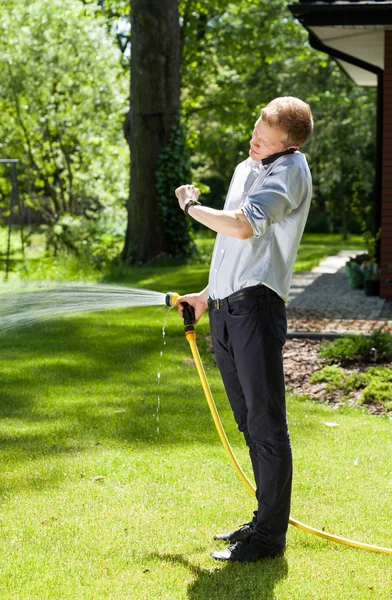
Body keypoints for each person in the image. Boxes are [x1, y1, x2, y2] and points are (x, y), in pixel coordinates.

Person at [174, 97, 313, 563]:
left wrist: (191, 206)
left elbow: (242, 227)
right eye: (256, 127)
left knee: (267, 423)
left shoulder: (290, 170)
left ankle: (270, 539)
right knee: (247, 422)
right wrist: (204, 294)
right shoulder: (246, 168)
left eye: (266, 136)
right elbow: (233, 253)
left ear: (288, 144)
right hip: (226, 308)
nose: (255, 138)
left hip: (256, 310)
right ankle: (262, 520)